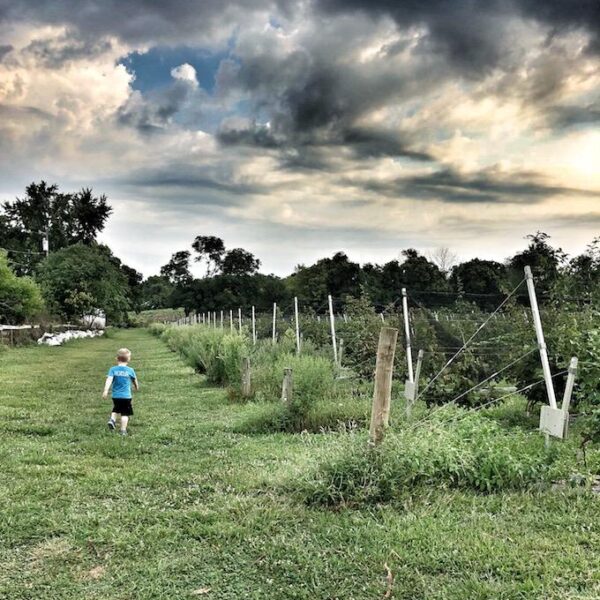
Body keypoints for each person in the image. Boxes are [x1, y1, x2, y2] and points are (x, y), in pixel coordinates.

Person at [102, 348, 139, 436]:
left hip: (116, 396)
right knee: (124, 414)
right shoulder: (130, 370)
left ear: (117, 358)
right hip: (126, 396)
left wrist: (106, 390)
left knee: (116, 408)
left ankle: (112, 420)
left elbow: (109, 379)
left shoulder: (113, 369)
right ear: (129, 359)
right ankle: (123, 430)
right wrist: (136, 386)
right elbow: (134, 380)